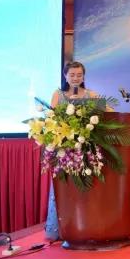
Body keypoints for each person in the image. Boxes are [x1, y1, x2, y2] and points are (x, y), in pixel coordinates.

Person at [46, 61, 101, 240]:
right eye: (72, 75)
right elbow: (51, 119)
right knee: (64, 188)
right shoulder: (58, 94)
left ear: (83, 76)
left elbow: (105, 114)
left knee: (86, 187)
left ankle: (86, 226)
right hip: (65, 149)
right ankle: (60, 230)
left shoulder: (92, 95)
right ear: (65, 76)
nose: (76, 78)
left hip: (85, 148)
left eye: (79, 75)